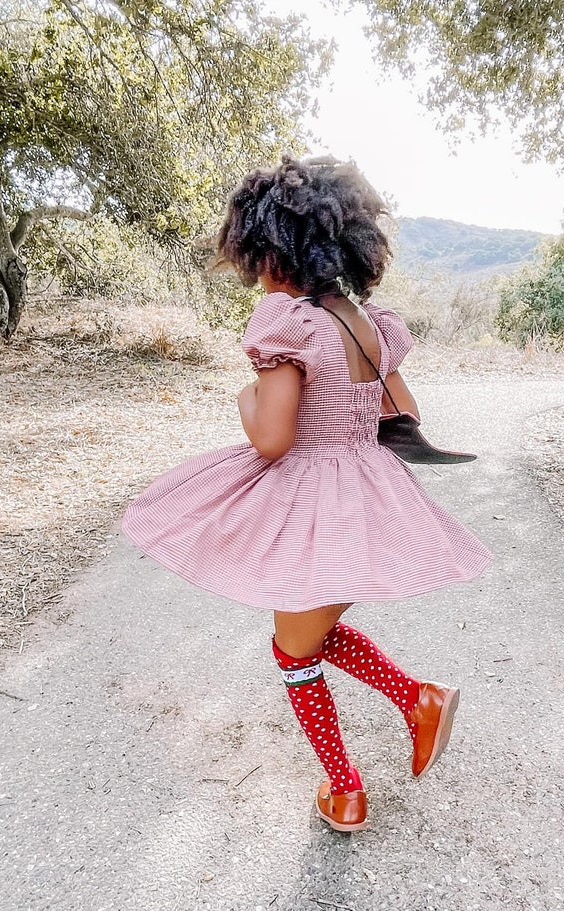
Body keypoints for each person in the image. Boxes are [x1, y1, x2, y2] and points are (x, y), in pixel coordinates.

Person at [122, 156, 492, 833]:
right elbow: (397, 409)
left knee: (293, 649)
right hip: (366, 498)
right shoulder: (364, 321)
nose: (255, 271)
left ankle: (359, 772)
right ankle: (409, 709)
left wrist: (248, 395)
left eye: (256, 256)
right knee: (304, 634)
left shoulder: (286, 319)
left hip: (316, 499)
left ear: (273, 250)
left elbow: (272, 437)